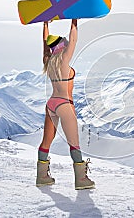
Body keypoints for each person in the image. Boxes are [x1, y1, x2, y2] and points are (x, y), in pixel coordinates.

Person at [36, 19, 95, 190]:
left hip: (51, 104)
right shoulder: (63, 61)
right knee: (74, 143)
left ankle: (42, 177)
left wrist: (45, 24)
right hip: (64, 104)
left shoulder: (48, 61)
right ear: (62, 47)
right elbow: (74, 39)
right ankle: (81, 179)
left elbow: (45, 44)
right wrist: (74, 19)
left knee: (46, 141)